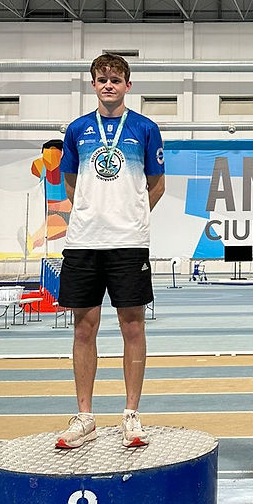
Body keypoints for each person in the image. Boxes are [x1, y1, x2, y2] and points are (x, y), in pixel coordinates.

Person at [54, 53, 165, 450]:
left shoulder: (145, 128)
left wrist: (129, 217)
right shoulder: (77, 130)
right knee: (84, 328)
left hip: (129, 242)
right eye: (101, 79)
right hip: (84, 240)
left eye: (116, 79)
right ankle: (85, 416)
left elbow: (156, 185)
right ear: (93, 84)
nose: (108, 85)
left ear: (128, 85)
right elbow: (71, 182)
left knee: (132, 327)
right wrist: (93, 213)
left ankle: (131, 414)